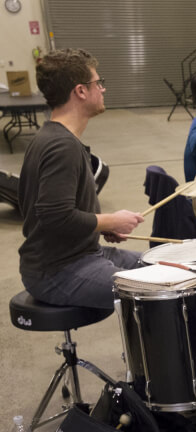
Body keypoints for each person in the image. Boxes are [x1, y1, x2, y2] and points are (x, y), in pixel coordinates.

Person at [18, 48, 143, 310]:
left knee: (162, 266)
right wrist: (111, 219)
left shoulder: (53, 136)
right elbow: (55, 217)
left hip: (82, 253)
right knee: (156, 289)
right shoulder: (62, 146)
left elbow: (55, 214)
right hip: (56, 270)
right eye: (98, 83)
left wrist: (100, 226)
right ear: (81, 91)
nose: (103, 89)